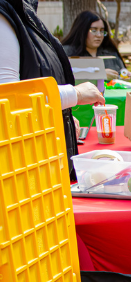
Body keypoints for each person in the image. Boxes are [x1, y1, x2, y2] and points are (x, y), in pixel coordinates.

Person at [0, 0, 105, 181]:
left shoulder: (21, 11)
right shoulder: (5, 13)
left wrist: (61, 117)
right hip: (20, 173)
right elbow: (8, 100)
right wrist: (75, 94)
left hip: (40, 168)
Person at [61, 11, 126, 81]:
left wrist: (125, 75)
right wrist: (100, 75)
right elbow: (62, 77)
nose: (99, 35)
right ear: (82, 30)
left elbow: (121, 75)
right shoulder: (66, 53)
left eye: (102, 31)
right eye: (94, 30)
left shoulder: (111, 53)